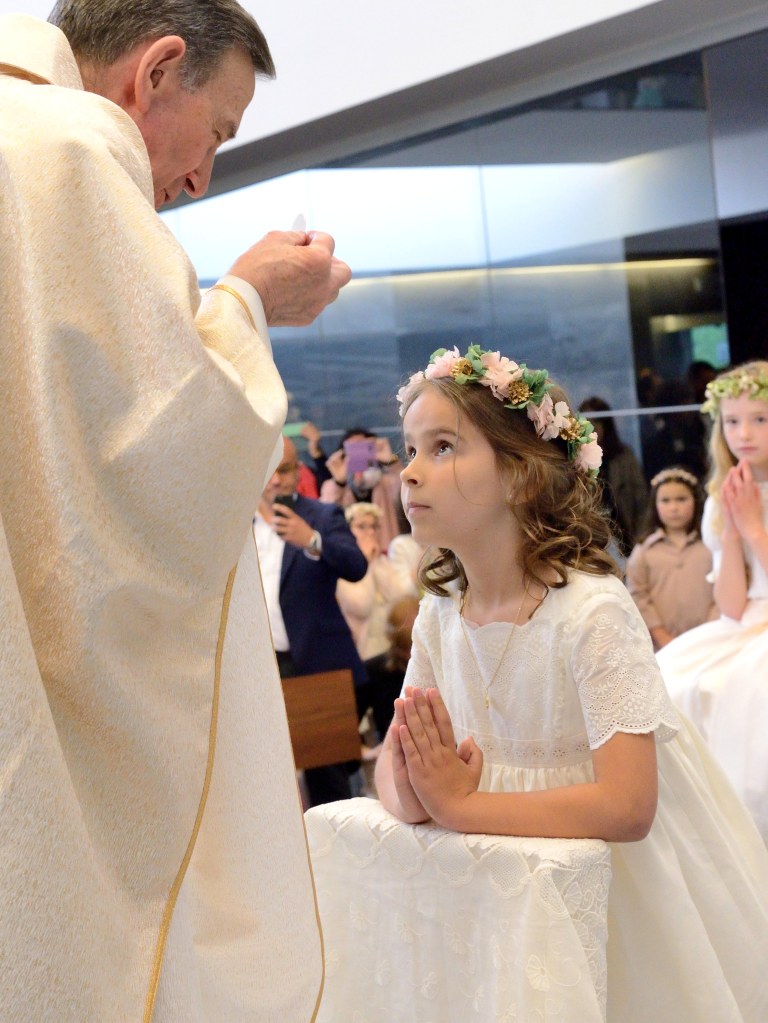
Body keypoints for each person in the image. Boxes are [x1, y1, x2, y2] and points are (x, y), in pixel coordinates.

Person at [0, 4, 351, 1021]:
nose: (199, 180)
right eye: (219, 134)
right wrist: (247, 300)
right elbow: (156, 451)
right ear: (155, 71)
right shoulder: (64, 148)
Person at [359, 344, 767, 1022]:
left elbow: (628, 806)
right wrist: (412, 790)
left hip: (610, 892)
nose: (409, 472)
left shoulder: (591, 611)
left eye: (442, 447)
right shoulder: (439, 612)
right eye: (409, 450)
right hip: (496, 880)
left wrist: (459, 805)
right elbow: (401, 764)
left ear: (521, 476)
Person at [657, 361, 768, 838]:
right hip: (749, 620)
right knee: (672, 679)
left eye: (759, 419)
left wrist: (754, 527)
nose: (744, 433)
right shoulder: (724, 495)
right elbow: (732, 607)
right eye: (733, 420)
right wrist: (732, 527)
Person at [254, 437, 368, 806]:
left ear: (298, 470)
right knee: (265, 780)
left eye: (285, 470)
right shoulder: (235, 527)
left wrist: (312, 540)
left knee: (330, 785)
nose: (276, 480)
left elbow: (356, 566)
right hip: (261, 670)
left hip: (318, 667)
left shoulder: (322, 516)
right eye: (268, 470)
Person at [625, 466, 715, 649]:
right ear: (655, 505)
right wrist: (662, 636)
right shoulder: (644, 550)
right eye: (665, 500)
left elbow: (723, 589)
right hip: (662, 647)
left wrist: (710, 630)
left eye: (681, 499)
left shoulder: (712, 545)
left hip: (709, 641)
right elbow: (637, 595)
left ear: (695, 501)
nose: (674, 508)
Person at [336, 502, 415, 661]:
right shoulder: (342, 566)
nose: (371, 532)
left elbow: (398, 598)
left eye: (374, 526)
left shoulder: (381, 561)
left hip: (389, 648)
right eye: (362, 526)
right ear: (348, 530)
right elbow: (362, 605)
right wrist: (365, 560)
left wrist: (374, 562)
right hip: (362, 653)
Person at [579, 396, 648, 558]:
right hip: (592, 542)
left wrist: (641, 540)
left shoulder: (623, 457)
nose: (591, 428)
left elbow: (641, 501)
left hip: (627, 535)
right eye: (586, 423)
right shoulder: (575, 460)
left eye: (596, 422)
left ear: (606, 425)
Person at [320, 427, 404, 547]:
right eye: (352, 449)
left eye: (364, 447)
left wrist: (391, 461)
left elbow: (405, 491)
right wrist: (339, 482)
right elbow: (326, 516)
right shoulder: (333, 487)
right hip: (350, 551)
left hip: (386, 551)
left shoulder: (386, 482)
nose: (358, 454)